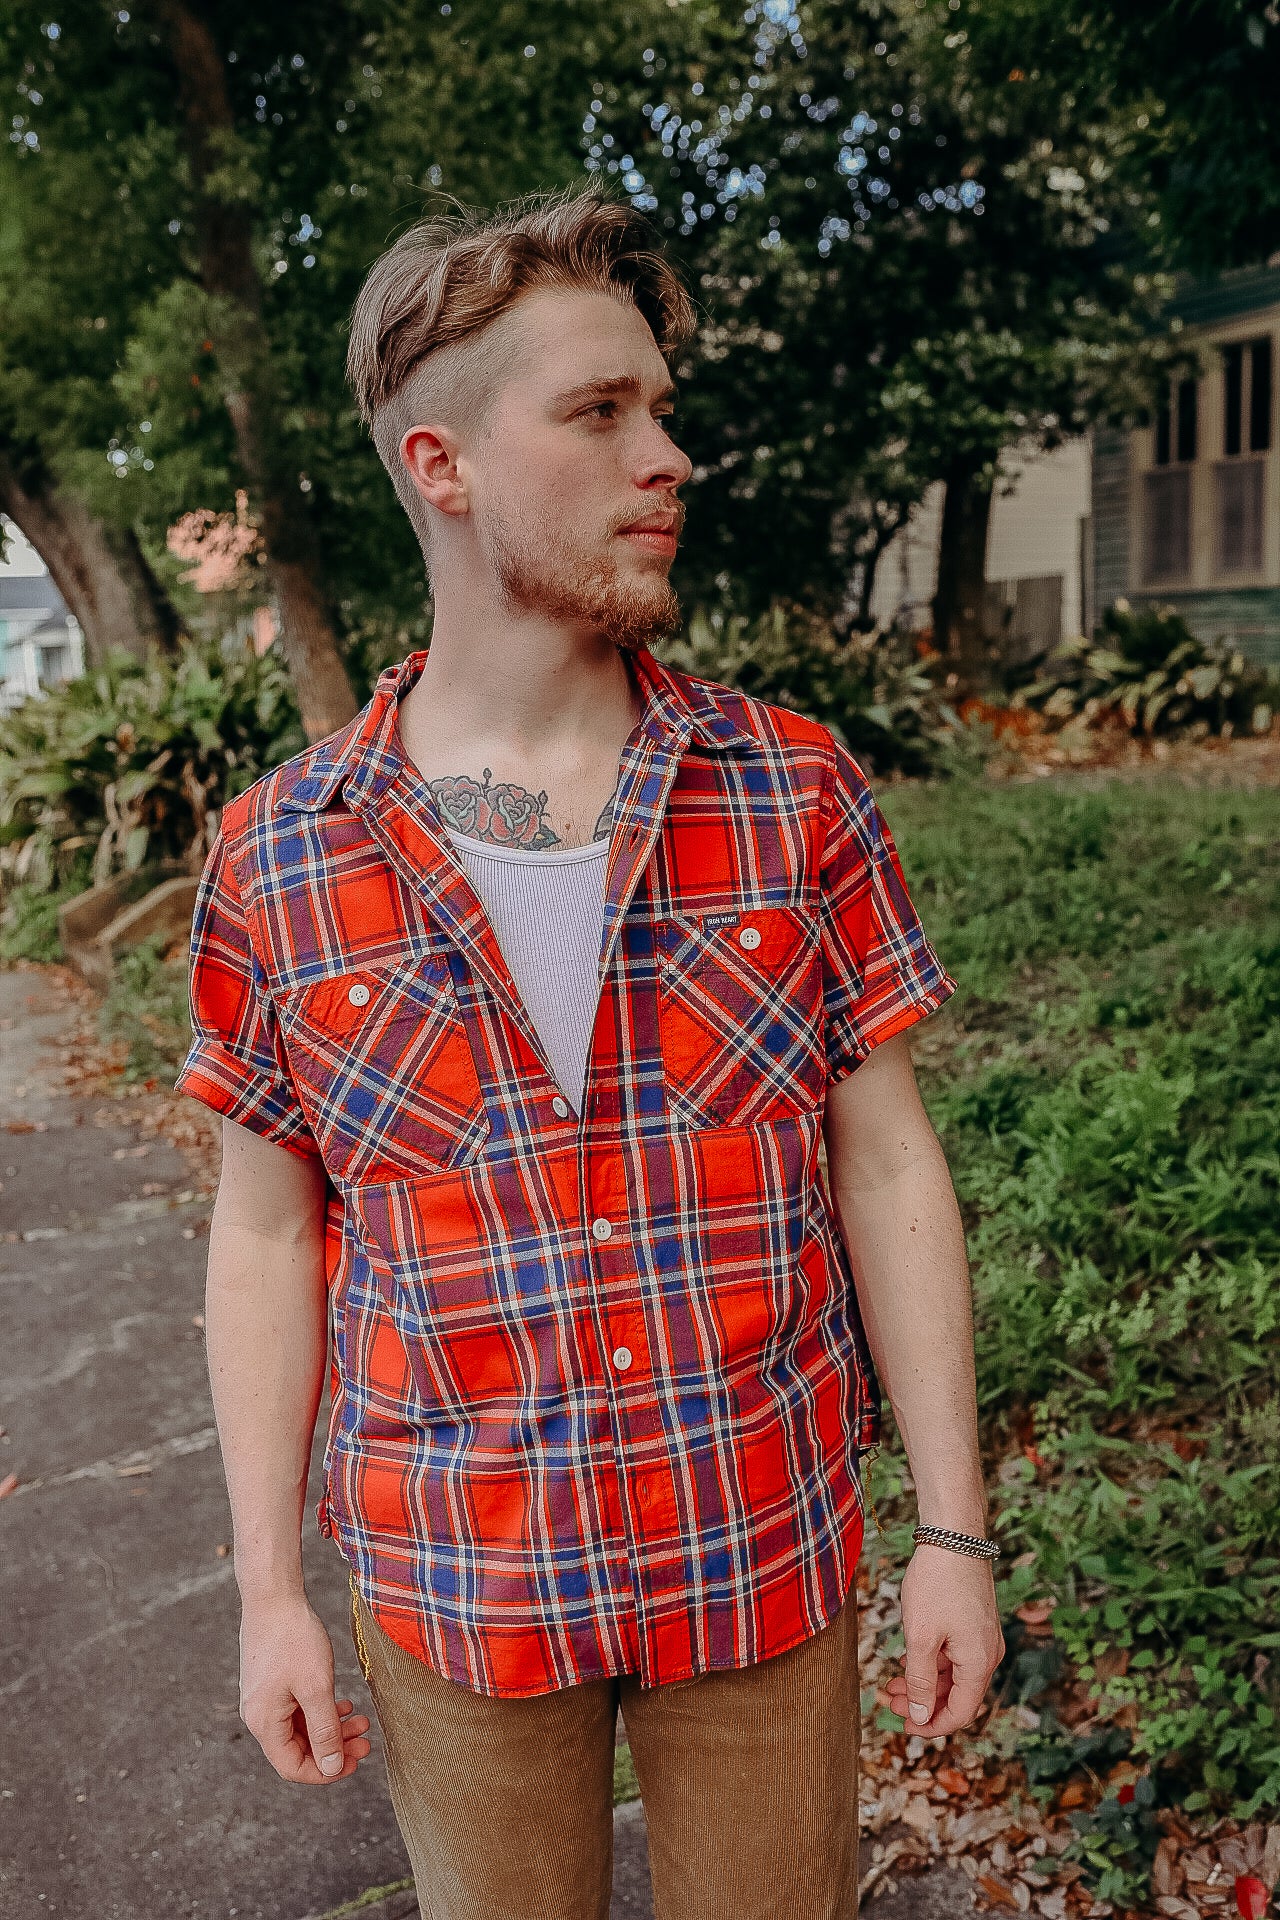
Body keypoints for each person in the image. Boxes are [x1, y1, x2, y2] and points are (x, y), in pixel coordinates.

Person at [178, 182, 1004, 1920]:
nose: (670, 455)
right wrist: (269, 1590)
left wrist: (953, 1530)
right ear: (441, 464)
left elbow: (886, 1159)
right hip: (458, 1585)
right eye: (601, 411)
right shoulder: (280, 850)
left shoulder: (793, 790)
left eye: (663, 406)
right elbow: (266, 1235)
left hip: (756, 1553)